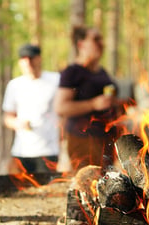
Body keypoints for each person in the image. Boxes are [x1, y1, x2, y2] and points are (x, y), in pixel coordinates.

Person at [53, 25, 125, 173]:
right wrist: (93, 104)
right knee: (89, 187)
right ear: (81, 44)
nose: (101, 43)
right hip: (83, 141)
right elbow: (60, 107)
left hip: (106, 140)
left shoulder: (102, 72)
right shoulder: (72, 72)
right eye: (95, 39)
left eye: (101, 39)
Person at [2, 44, 60, 174]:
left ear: (39, 58)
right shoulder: (14, 85)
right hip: (22, 151)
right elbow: (7, 118)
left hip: (49, 151)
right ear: (19, 62)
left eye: (31, 58)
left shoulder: (55, 80)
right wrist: (18, 123)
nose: (28, 62)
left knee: (48, 191)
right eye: (24, 58)